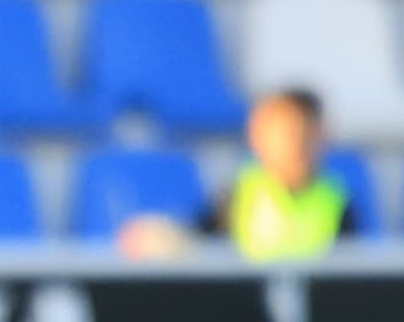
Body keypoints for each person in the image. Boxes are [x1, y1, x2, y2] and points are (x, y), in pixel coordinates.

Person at [119, 88, 361, 261]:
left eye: (305, 133)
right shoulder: (238, 195)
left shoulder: (337, 200)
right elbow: (196, 237)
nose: (296, 144)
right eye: (286, 133)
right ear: (257, 136)